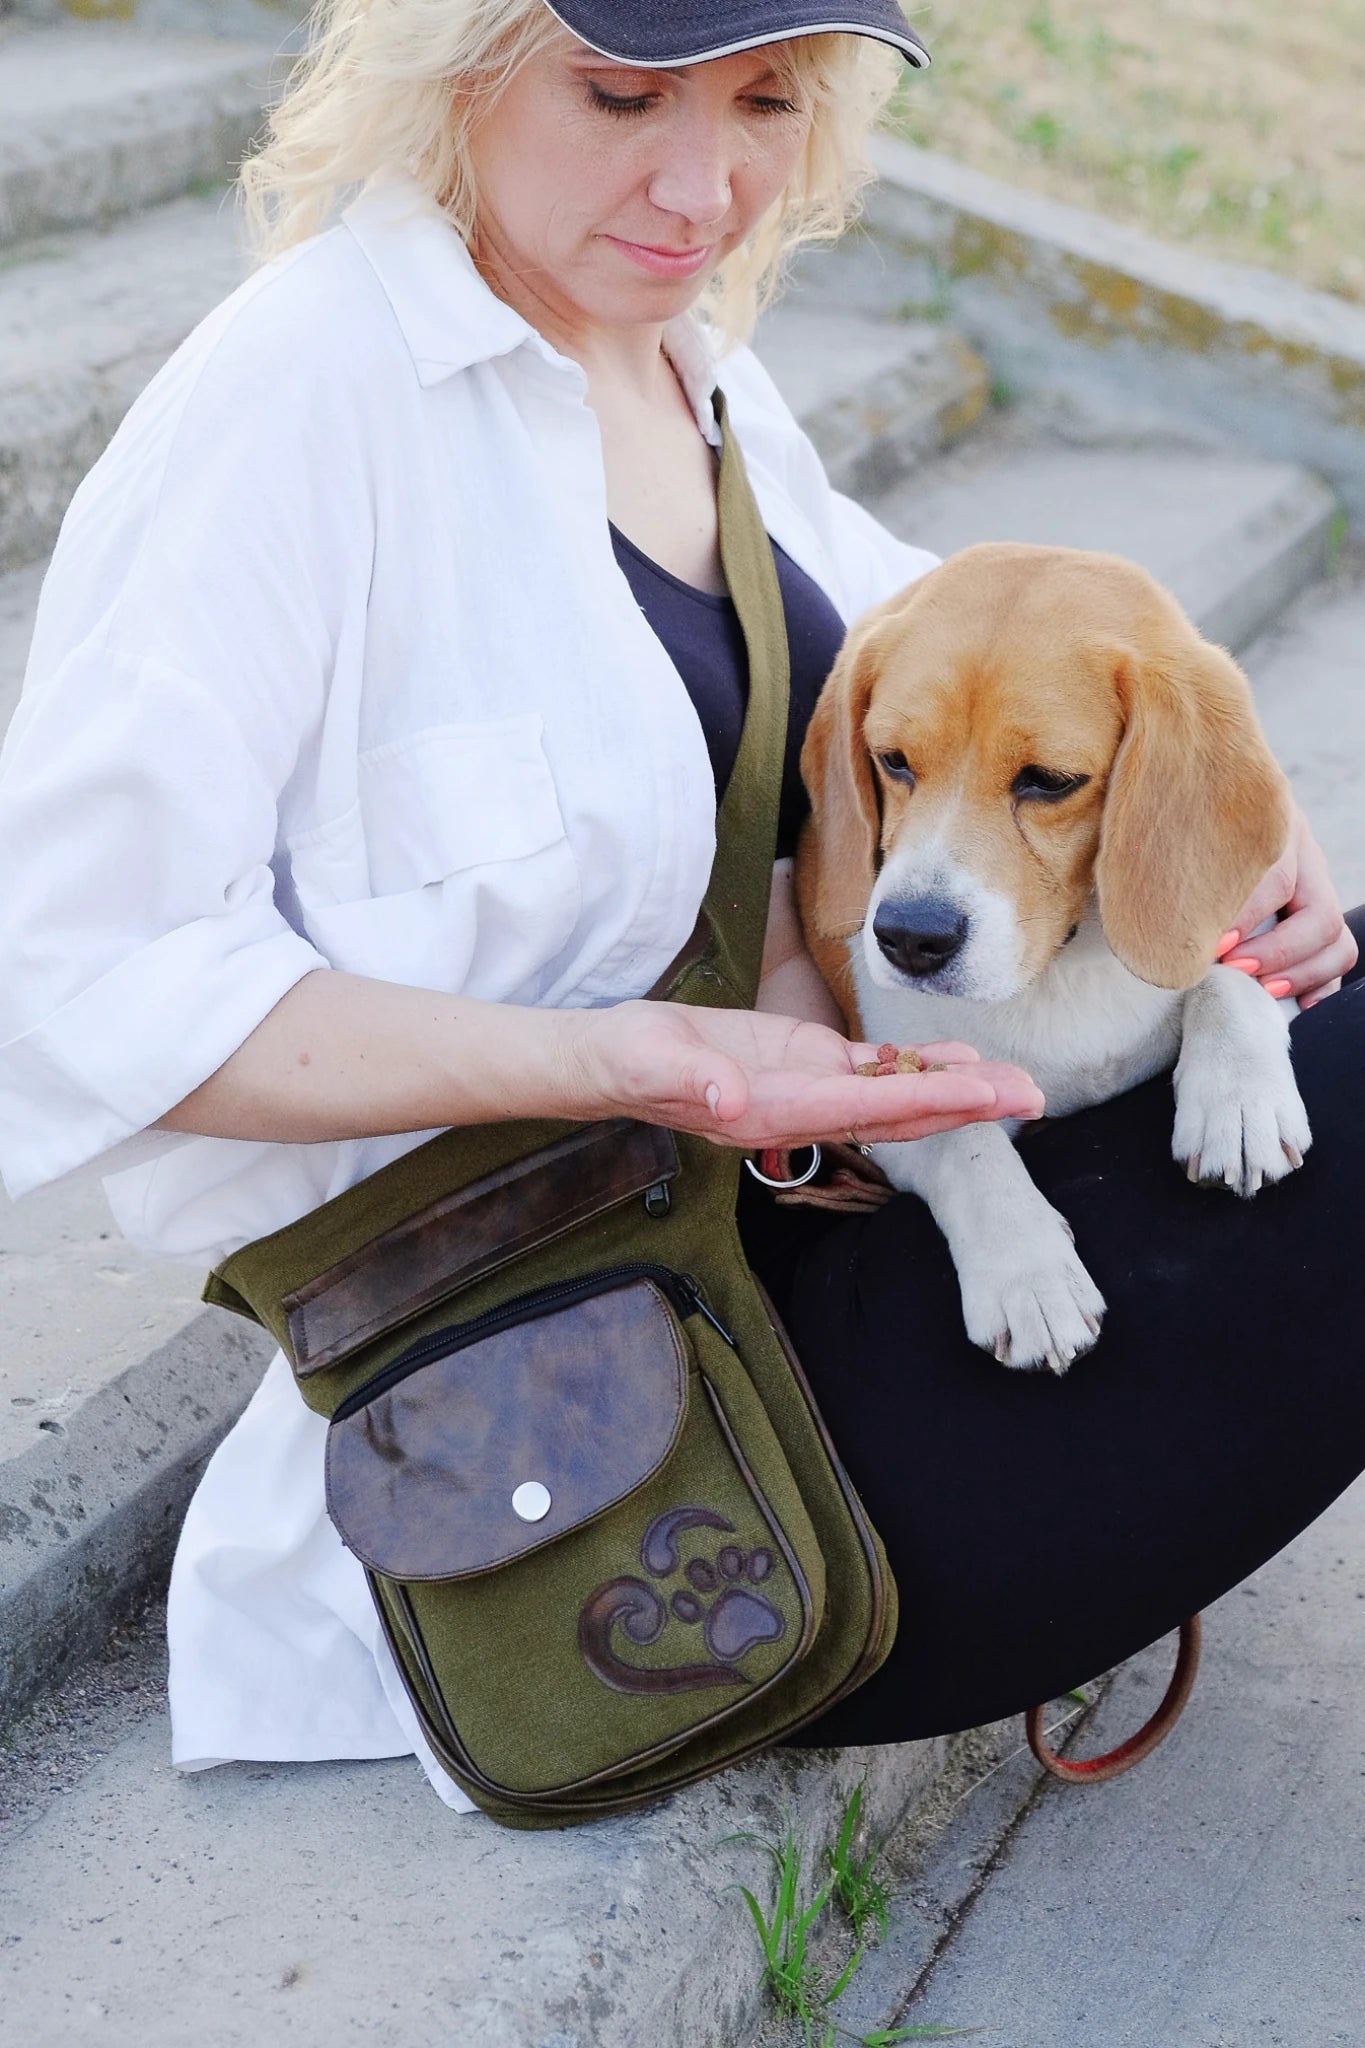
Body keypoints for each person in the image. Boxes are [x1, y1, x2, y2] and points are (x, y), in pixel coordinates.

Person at [0, 0, 1358, 1815]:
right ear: (458, 68)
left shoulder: (687, 367)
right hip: (592, 1436)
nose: (704, 179)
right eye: (621, 92)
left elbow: (988, 665)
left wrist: (1239, 839)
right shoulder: (298, 403)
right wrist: (630, 1059)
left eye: (766, 101)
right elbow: (74, 977)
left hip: (819, 1249)